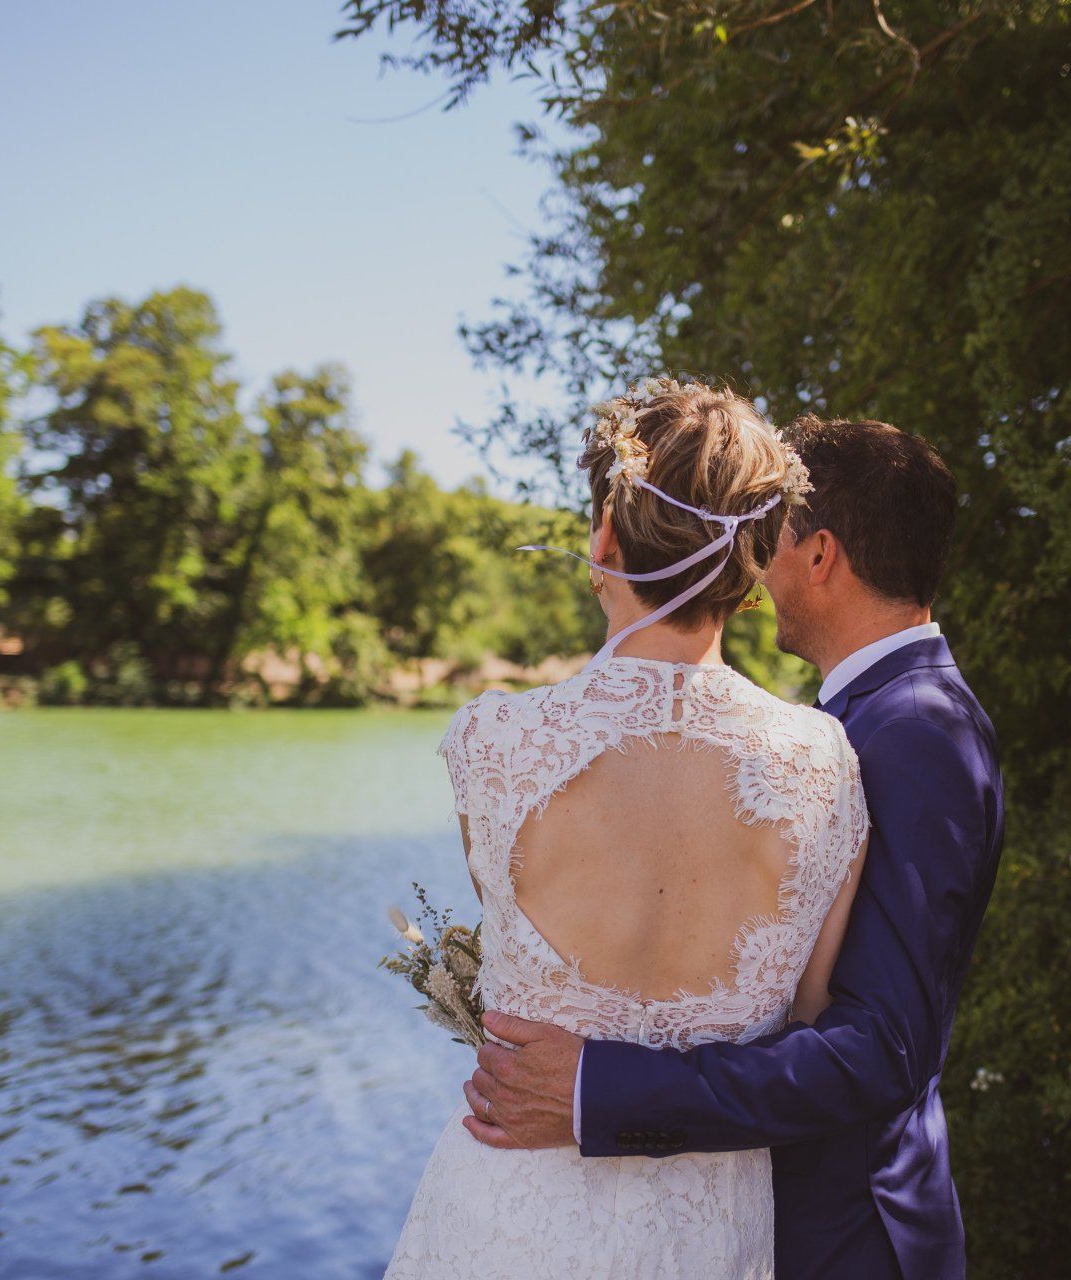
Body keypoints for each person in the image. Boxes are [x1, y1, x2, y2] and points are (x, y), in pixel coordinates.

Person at [462, 416, 1005, 1280]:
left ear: (818, 555)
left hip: (847, 1236)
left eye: (771, 536)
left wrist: (595, 1088)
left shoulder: (914, 734)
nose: (750, 563)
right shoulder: (854, 726)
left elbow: (882, 1049)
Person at [384, 380, 870, 1279]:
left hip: (512, 1213)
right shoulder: (826, 763)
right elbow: (808, 1017)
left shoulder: (496, 739)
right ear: (751, 566)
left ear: (605, 535)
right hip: (710, 1228)